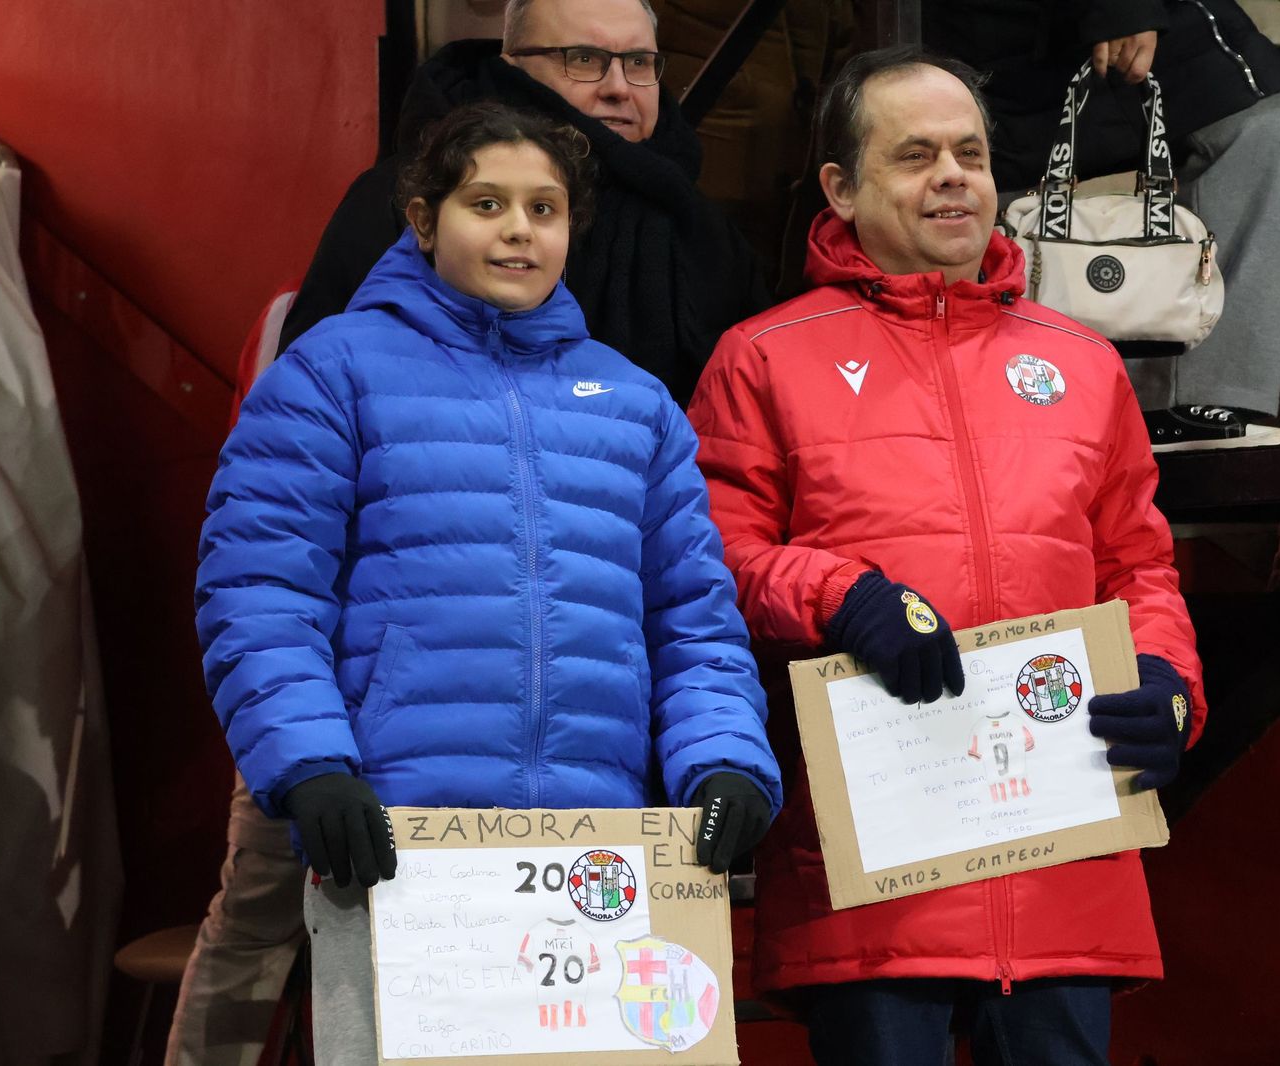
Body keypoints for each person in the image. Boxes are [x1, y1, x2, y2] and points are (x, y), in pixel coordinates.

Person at [171, 2, 775, 1058]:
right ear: (422, 216)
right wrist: (310, 758)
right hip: (399, 826)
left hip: (593, 841)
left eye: (543, 208)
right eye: (485, 202)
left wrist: (724, 757)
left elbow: (693, 618)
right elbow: (261, 587)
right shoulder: (333, 371)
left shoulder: (633, 404)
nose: (516, 229)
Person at [688, 47, 1205, 1065]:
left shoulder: (1081, 362)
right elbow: (710, 555)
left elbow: (1138, 568)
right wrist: (836, 592)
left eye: (969, 152)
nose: (954, 177)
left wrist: (1168, 681)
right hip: (877, 866)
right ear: (839, 188)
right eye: (914, 155)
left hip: (1064, 854)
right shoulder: (762, 356)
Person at [278, 0, 771, 403]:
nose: (619, 88)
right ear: (513, 69)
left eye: (639, 63)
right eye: (584, 59)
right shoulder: (405, 195)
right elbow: (309, 402)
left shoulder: (700, 225)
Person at [925, 0, 1280, 451]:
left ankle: (1194, 401)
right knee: (965, 149)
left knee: (1253, 111)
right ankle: (1007, 398)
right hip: (1003, 31)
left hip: (1146, 24)